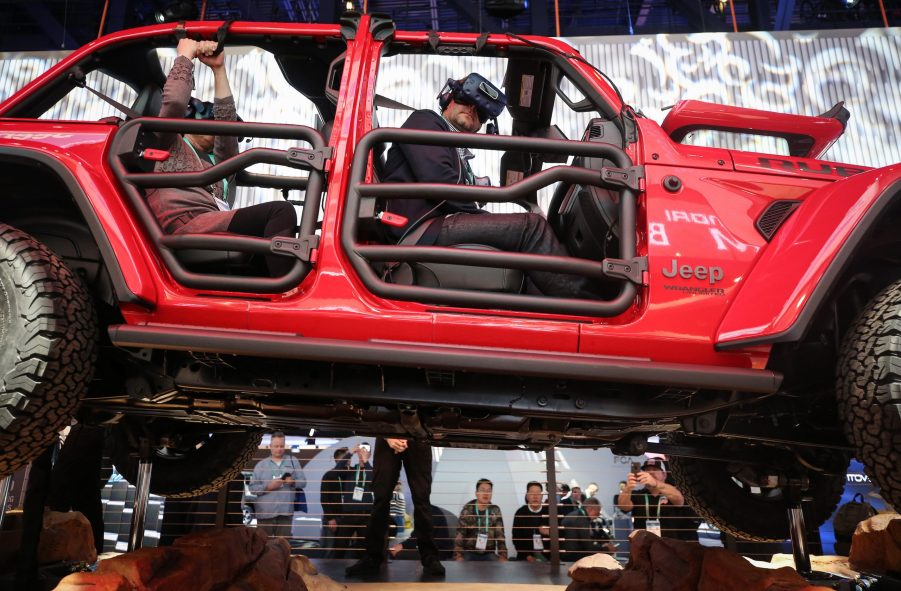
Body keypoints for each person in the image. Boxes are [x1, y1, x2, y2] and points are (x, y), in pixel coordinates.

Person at [379, 72, 595, 298]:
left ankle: (559, 320)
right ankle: (592, 306)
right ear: (447, 99)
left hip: (436, 226)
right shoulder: (425, 120)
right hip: (420, 229)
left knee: (525, 259)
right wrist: (480, 214)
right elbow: (441, 183)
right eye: (465, 100)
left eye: (481, 111)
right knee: (532, 227)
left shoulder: (458, 153)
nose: (472, 109)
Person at [148, 37, 297, 276]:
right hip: (187, 224)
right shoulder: (169, 142)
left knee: (266, 245)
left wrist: (218, 69)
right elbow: (175, 103)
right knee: (280, 211)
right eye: (209, 114)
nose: (216, 121)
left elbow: (227, 122)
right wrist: (186, 55)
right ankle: (290, 291)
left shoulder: (218, 164)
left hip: (210, 220)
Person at [345, 439, 445, 577]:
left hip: (418, 435)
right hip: (388, 433)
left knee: (422, 499)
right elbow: (376, 416)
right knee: (381, 498)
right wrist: (389, 437)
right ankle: (372, 557)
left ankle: (430, 558)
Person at [616, 458, 698, 541]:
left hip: (670, 546)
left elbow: (679, 501)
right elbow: (624, 507)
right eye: (647, 470)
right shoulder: (638, 494)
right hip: (643, 546)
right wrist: (628, 487)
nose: (651, 472)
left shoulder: (671, 491)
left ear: (664, 475)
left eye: (655, 469)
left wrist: (655, 483)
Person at [249, 432, 306, 538]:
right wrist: (268, 487)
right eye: (276, 446)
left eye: (282, 446)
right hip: (265, 513)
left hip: (285, 512)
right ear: (270, 447)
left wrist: (293, 482)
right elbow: (252, 488)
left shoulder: (293, 461)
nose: (279, 449)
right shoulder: (260, 465)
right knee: (263, 546)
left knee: (282, 547)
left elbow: (303, 482)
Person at [453, 478, 508, 561]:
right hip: (469, 552)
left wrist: (503, 555)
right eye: (482, 490)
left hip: (489, 553)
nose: (486, 493)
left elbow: (500, 535)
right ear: (476, 493)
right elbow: (460, 535)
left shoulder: (495, 510)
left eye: (489, 491)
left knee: (500, 568)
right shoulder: (467, 510)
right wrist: (458, 555)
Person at [339, 442, 375, 556]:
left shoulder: (372, 471)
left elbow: (374, 481)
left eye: (365, 451)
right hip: (348, 514)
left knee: (364, 548)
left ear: (369, 454)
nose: (362, 453)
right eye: (360, 451)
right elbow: (336, 469)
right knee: (340, 546)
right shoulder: (350, 470)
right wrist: (350, 453)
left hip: (365, 515)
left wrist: (366, 461)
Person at [319, 446, 351, 557]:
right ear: (337, 459)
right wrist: (330, 518)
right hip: (332, 518)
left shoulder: (351, 475)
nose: (348, 460)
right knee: (329, 549)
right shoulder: (329, 475)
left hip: (348, 518)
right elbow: (324, 499)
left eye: (349, 457)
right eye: (345, 457)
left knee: (346, 549)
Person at [511, 481, 550, 562]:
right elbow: (516, 539)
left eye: (538, 493)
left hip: (547, 556)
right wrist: (528, 556)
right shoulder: (520, 513)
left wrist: (550, 532)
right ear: (527, 495)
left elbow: (561, 534)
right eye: (532, 493)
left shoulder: (549, 512)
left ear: (542, 496)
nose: (535, 496)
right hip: (525, 556)